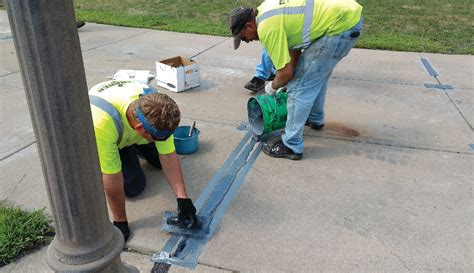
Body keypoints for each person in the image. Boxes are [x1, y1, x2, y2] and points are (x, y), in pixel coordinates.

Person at [228, 0, 363, 160]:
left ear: (249, 26)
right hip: (346, 17)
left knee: (299, 87)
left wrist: (270, 89)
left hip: (339, 25)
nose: (247, 41)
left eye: (243, 37)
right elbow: (294, 49)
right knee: (314, 76)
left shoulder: (267, 28)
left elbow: (285, 74)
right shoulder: (267, 11)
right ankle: (314, 119)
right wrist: (288, 77)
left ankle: (292, 145)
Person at [89, 80, 197, 241]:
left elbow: (168, 155)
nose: (164, 140)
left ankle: (138, 146)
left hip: (132, 130)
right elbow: (112, 177)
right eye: (159, 138)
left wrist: (183, 198)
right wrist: (120, 222)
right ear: (139, 129)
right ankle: (122, 150)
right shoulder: (101, 124)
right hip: (111, 135)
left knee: (160, 160)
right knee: (133, 187)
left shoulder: (159, 109)